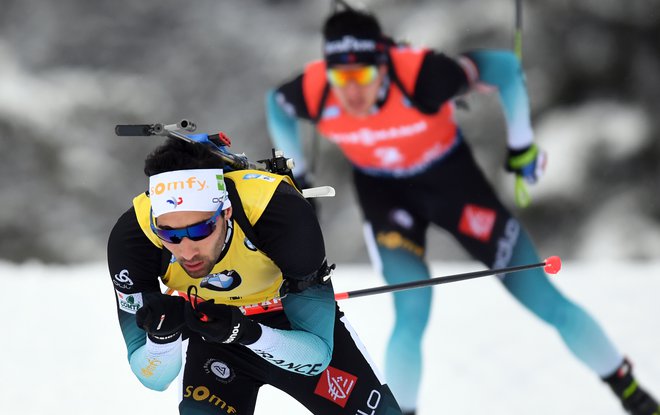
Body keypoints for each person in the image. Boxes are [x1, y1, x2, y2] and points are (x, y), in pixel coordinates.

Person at [264, 6, 660, 415]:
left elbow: (504, 69)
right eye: (340, 79)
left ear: (383, 66)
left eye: (362, 76)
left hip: (452, 185)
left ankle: (629, 390)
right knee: (410, 313)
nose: (351, 92)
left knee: (543, 299)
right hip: (386, 195)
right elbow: (277, 104)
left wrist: (521, 144)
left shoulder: (423, 75)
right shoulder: (313, 90)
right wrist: (299, 172)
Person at [107, 136, 403, 414]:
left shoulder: (276, 211)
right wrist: (163, 337)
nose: (186, 251)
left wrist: (247, 332)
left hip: (290, 324)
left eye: (199, 230)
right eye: (169, 234)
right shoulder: (134, 237)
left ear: (225, 212)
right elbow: (153, 379)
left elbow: (316, 357)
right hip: (212, 333)